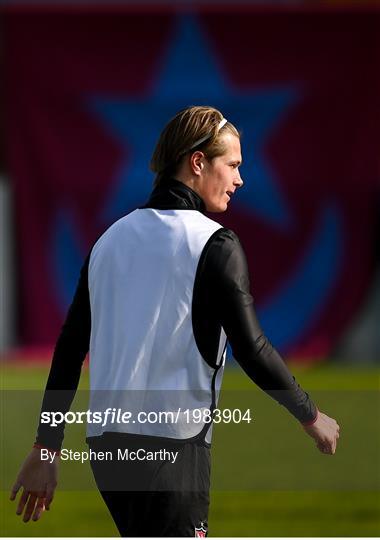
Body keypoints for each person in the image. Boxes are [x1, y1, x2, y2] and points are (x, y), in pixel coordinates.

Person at [10, 105, 340, 536]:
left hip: (106, 450)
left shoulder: (109, 240)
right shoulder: (216, 244)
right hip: (173, 450)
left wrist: (47, 445)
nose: (240, 179)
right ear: (198, 162)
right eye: (234, 164)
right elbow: (253, 348)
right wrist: (310, 415)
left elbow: (70, 351)